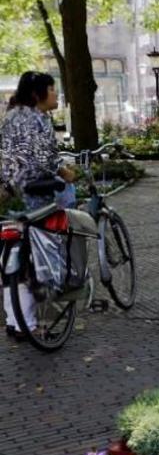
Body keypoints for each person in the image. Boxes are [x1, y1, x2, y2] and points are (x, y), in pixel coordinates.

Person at [0, 71, 76, 339]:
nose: (56, 94)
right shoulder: (37, 118)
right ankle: (30, 322)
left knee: (14, 262)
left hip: (11, 196)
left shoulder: (11, 115)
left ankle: (16, 320)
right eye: (52, 89)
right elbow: (43, 159)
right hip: (37, 196)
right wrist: (64, 171)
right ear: (37, 94)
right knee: (40, 257)